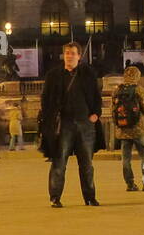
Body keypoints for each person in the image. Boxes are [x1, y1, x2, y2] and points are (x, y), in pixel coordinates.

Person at [38, 41, 102, 207]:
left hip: (84, 123)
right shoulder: (54, 75)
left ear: (79, 56)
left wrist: (95, 114)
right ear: (63, 55)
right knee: (59, 163)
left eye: (73, 53)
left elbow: (96, 95)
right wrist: (49, 120)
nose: (69, 56)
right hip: (64, 125)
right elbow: (46, 100)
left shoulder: (88, 73)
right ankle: (55, 197)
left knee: (86, 164)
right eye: (67, 53)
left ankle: (90, 197)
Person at [112, 65, 144, 192]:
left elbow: (113, 110)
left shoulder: (117, 91)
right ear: (137, 76)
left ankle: (130, 184)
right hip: (139, 129)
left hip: (123, 130)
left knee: (126, 158)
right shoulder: (140, 90)